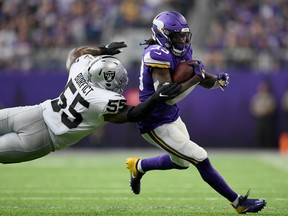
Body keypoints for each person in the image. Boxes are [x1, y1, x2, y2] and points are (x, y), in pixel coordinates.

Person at [125, 11, 266, 214]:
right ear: (163, 35)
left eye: (184, 35)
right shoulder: (156, 54)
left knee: (182, 163)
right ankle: (238, 203)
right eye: (176, 36)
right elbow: (166, 94)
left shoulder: (179, 51)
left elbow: (197, 73)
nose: (182, 40)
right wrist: (196, 79)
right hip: (153, 121)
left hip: (171, 115)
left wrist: (215, 80)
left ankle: (138, 166)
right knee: (200, 156)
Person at [0, 41, 181, 164]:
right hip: (43, 139)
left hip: (33, 113)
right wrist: (157, 97)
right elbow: (134, 114)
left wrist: (102, 49)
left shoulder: (80, 71)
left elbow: (76, 53)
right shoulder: (103, 99)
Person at [250, 81, 277, 148]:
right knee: (259, 135)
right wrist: (258, 112)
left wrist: (265, 111)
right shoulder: (256, 97)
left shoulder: (270, 97)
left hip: (267, 119)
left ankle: (269, 149)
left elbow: (272, 107)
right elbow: (252, 108)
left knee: (268, 135)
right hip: (259, 119)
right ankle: (258, 149)